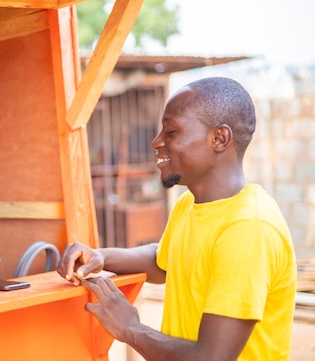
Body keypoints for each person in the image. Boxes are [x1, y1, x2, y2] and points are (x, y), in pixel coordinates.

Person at [57, 77, 296, 360]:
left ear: (219, 138)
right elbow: (165, 262)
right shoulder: (190, 204)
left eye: (171, 131)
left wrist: (130, 328)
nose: (156, 142)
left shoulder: (248, 229)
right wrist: (100, 256)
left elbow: (211, 357)